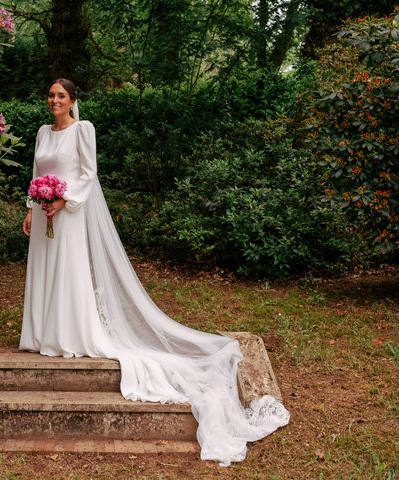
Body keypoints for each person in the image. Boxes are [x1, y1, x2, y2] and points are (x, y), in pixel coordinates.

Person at [20, 78, 290, 466]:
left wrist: (63, 201)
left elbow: (87, 173)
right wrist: (32, 207)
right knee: (44, 271)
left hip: (69, 214)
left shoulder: (83, 130)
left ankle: (67, 332)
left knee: (67, 273)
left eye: (61, 95)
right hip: (44, 214)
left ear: (73, 100)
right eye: (50, 95)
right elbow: (34, 172)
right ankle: (41, 332)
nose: (54, 100)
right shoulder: (42, 133)